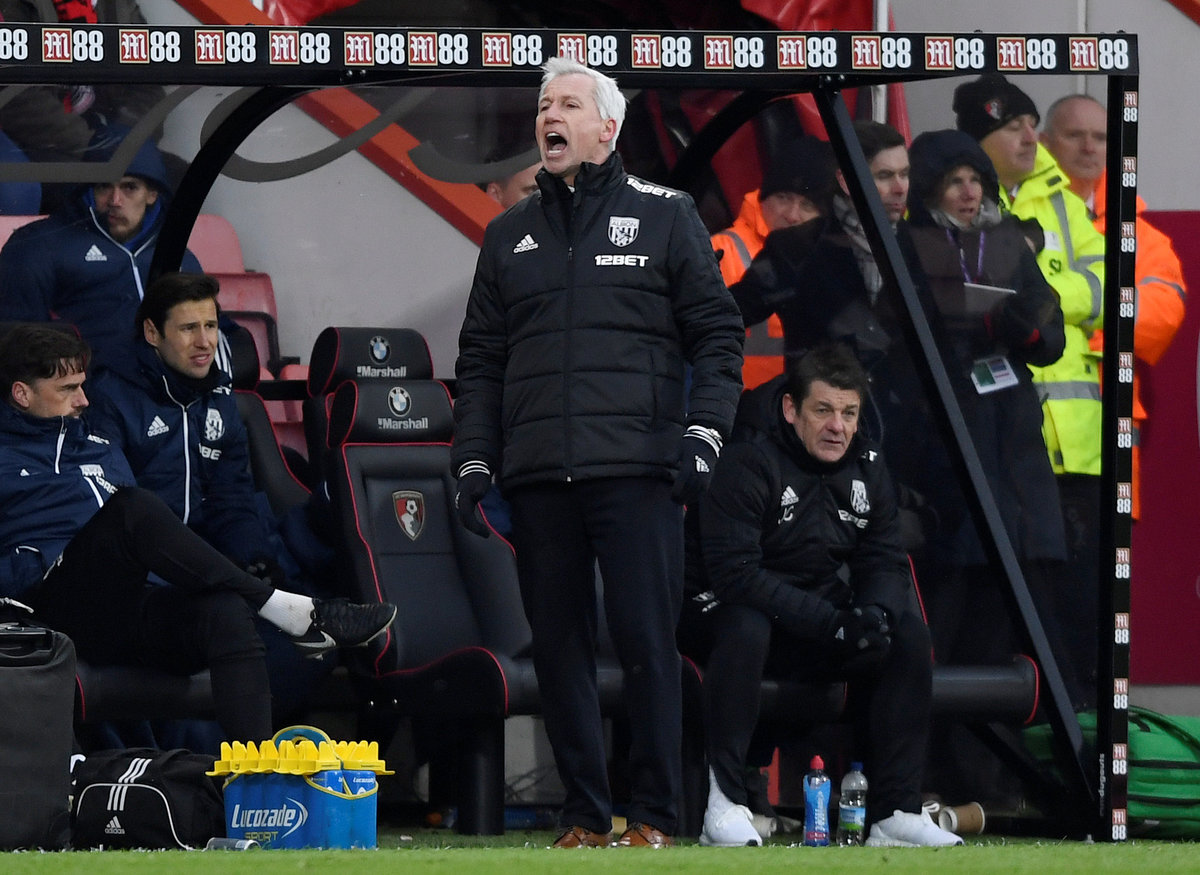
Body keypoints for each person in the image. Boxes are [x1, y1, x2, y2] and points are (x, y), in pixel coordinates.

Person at [452, 56, 744, 849]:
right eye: (545, 104)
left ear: (607, 128)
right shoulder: (507, 234)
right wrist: (474, 456)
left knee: (648, 643)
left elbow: (719, 336)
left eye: (569, 104)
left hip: (640, 469)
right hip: (539, 473)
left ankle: (654, 815)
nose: (550, 115)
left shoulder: (666, 214)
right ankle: (582, 815)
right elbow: (480, 359)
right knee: (559, 652)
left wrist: (703, 434)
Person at [0, 324, 397, 742]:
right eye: (67, 389)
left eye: (83, 385)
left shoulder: (98, 444)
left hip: (120, 605)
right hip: (46, 608)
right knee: (133, 508)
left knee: (222, 611)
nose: (84, 399)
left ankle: (252, 769)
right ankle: (287, 609)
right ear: (22, 393)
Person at [679, 343, 962, 849]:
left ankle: (894, 813)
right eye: (823, 410)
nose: (838, 427)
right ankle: (722, 803)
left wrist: (872, 615)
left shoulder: (868, 465)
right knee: (747, 624)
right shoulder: (745, 457)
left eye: (849, 413)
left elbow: (885, 559)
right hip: (719, 609)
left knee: (907, 636)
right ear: (792, 410)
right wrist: (833, 623)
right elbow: (737, 576)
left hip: (808, 617)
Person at [84, 272, 339, 720]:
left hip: (207, 569)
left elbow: (231, 498)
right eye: (188, 328)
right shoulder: (109, 398)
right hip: (142, 577)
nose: (204, 342)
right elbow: (115, 510)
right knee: (227, 623)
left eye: (210, 326)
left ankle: (247, 751)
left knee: (311, 642)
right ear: (152, 333)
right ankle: (209, 753)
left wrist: (254, 562)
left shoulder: (219, 396)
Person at [954, 74, 1107, 706]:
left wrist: (1031, 293)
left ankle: (1081, 730)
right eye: (1012, 125)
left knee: (1085, 604)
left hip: (1078, 447)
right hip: (1001, 439)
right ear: (978, 139)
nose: (1028, 136)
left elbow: (1107, 289)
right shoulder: (953, 200)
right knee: (1006, 606)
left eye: (1031, 124)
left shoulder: (1064, 202)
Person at [1040, 93, 1188, 521]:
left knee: (1102, 564)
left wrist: (1081, 322)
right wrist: (1105, 315)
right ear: (1045, 142)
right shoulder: (1020, 211)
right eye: (1075, 135)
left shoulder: (1139, 234)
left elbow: (1162, 315)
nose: (1089, 147)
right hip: (1031, 442)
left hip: (1105, 448)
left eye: (1101, 137)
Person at [0, 127, 202, 373]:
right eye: (104, 186)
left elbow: (211, 330)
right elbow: (16, 345)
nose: (115, 200)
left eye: (129, 187)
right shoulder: (37, 245)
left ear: (152, 194)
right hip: (85, 387)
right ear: (89, 189)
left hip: (170, 386)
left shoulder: (176, 253)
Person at [710, 136, 837, 389]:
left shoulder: (831, 263)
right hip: (733, 403)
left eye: (807, 204)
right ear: (763, 196)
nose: (791, 215)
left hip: (800, 403)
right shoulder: (718, 250)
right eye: (783, 197)